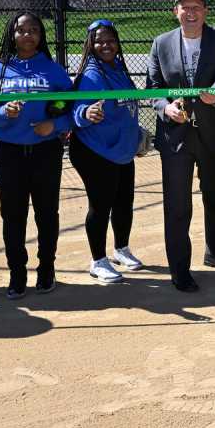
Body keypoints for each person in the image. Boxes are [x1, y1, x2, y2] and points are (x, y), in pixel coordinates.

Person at [146, 0, 215, 292]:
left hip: (212, 131)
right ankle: (179, 270)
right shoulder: (160, 43)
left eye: (196, 7)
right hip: (176, 135)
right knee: (177, 205)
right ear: (176, 12)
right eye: (184, 7)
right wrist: (166, 107)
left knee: (214, 198)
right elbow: (154, 87)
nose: (191, 13)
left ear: (205, 11)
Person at [0, 12, 72, 299]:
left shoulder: (54, 70)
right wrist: (3, 113)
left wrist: (53, 123)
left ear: (41, 35)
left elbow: (67, 105)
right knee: (13, 215)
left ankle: (46, 268)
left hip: (46, 152)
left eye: (34, 30)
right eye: (21, 30)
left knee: (47, 213)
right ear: (12, 34)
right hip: (9, 153)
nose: (28, 35)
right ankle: (17, 273)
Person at [70, 19, 145, 285]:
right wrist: (86, 113)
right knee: (100, 206)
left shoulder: (117, 69)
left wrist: (137, 135)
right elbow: (74, 110)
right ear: (91, 44)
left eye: (111, 40)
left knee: (124, 203)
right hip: (95, 151)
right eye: (99, 41)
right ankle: (97, 261)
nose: (106, 45)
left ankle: (120, 249)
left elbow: (127, 106)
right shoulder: (90, 74)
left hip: (121, 150)